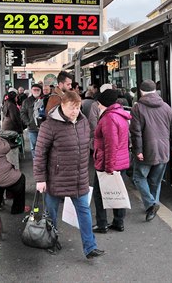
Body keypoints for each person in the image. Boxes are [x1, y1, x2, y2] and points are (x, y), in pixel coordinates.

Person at [33, 91, 105, 259]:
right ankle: (52, 241)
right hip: (55, 178)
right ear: (62, 106)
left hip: (79, 176)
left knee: (84, 211)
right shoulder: (49, 126)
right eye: (71, 108)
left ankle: (90, 247)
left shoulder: (83, 121)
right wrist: (40, 179)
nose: (75, 111)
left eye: (78, 107)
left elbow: (87, 143)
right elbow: (40, 153)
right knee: (51, 213)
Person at [129, 79, 172, 222]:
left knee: (139, 177)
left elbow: (136, 132)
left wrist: (138, 150)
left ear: (141, 92)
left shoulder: (137, 108)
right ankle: (152, 206)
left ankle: (151, 204)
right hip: (163, 149)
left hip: (146, 150)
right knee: (155, 181)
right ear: (155, 91)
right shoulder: (166, 107)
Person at [91, 89, 132, 234]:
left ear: (104, 103)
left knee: (98, 193)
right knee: (117, 191)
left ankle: (102, 224)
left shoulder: (108, 118)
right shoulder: (119, 114)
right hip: (120, 161)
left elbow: (111, 144)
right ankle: (118, 222)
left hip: (107, 162)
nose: (97, 105)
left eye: (99, 102)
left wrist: (109, 167)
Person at [20, 83, 43, 158]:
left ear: (41, 90)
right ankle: (36, 161)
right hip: (32, 128)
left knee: (43, 146)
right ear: (31, 91)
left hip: (43, 128)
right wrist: (28, 122)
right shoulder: (26, 101)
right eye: (34, 90)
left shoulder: (44, 100)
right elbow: (22, 113)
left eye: (38, 90)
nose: (36, 91)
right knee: (33, 146)